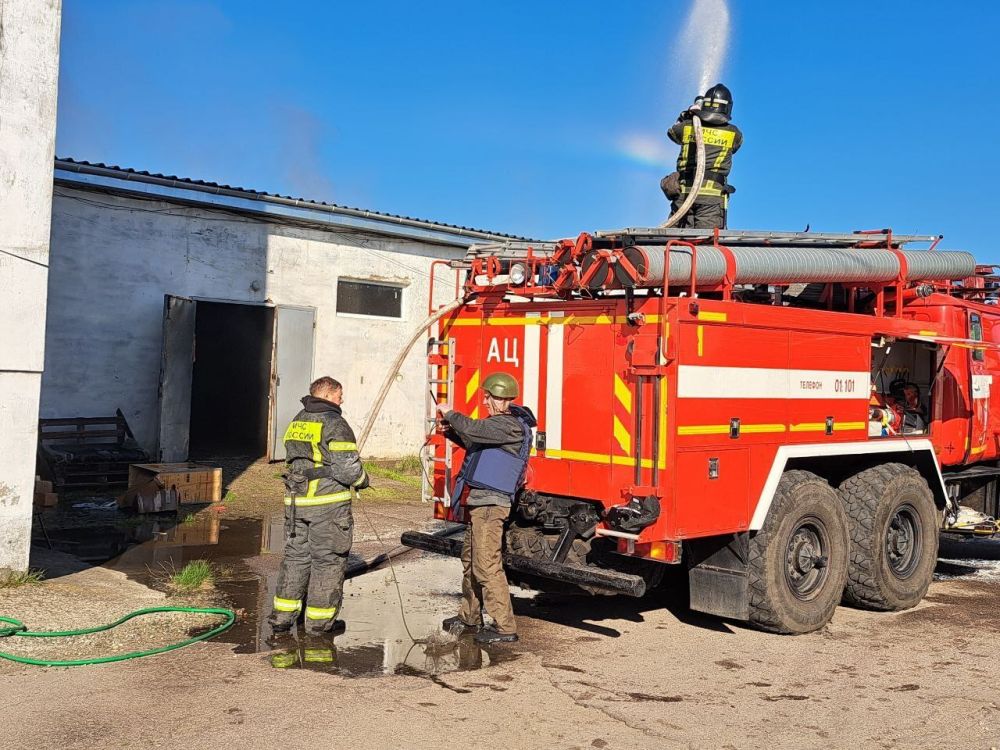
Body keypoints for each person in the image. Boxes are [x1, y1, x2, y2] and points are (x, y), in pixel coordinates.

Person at [437, 372, 536, 644]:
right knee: (470, 563)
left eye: (487, 396)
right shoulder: (498, 426)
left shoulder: (509, 426)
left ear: (497, 398)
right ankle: (469, 616)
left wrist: (451, 413)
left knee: (486, 565)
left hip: (492, 506)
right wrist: (453, 434)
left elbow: (476, 430)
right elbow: (475, 442)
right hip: (481, 505)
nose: (484, 400)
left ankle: (504, 627)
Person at [268, 376, 368, 637]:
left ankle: (282, 617)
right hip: (327, 504)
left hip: (296, 502)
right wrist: (362, 480)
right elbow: (347, 469)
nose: (342, 400)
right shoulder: (335, 423)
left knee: (295, 558)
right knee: (329, 560)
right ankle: (319, 624)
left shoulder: (298, 419)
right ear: (328, 394)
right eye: (339, 394)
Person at [661, 82, 743, 229]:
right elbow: (737, 146)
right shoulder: (734, 133)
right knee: (705, 244)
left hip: (684, 194)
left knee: (676, 240)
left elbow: (672, 133)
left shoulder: (687, 126)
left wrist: (686, 115)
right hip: (711, 199)